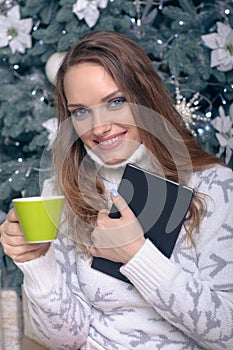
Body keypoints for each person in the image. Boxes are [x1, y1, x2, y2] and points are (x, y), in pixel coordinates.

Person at [0, 30, 233, 350]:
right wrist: (38, 263)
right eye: (80, 111)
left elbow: (227, 332)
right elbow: (64, 339)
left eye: (116, 101)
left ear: (145, 97)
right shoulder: (66, 191)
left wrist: (136, 255)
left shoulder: (214, 187)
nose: (98, 127)